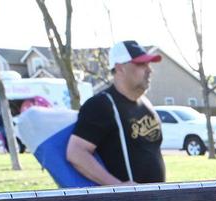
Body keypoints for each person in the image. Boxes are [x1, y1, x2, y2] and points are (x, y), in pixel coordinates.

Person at [66, 40, 164, 185]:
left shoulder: (145, 103)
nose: (149, 70)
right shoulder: (101, 105)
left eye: (148, 64)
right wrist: (118, 187)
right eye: (141, 64)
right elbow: (76, 152)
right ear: (120, 68)